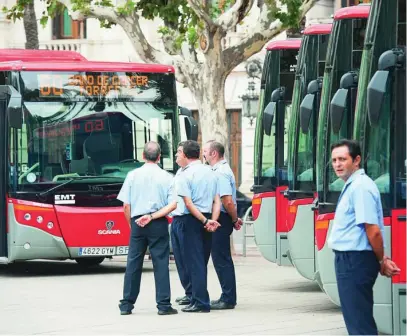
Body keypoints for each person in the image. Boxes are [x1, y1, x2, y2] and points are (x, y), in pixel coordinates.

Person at [328, 139, 400, 335]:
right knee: (357, 316)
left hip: (355, 259)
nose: (337, 164)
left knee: (359, 321)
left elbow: (373, 230)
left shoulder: (360, 187)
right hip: (351, 258)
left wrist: (381, 259)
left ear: (357, 160)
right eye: (334, 160)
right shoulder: (353, 184)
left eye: (343, 159)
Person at [117, 141, 178, 316]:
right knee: (161, 263)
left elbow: (126, 206)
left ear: (143, 156)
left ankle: (126, 304)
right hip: (157, 222)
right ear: (159, 157)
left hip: (137, 222)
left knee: (133, 263)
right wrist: (152, 217)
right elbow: (173, 205)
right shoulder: (168, 177)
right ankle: (163, 305)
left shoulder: (132, 175)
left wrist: (132, 224)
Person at [173, 140, 221, 313]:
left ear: (186, 155)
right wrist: (212, 221)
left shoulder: (185, 175)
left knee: (193, 263)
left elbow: (188, 203)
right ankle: (196, 298)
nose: (177, 156)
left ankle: (200, 301)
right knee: (199, 261)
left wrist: (204, 221)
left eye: (179, 152)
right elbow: (217, 200)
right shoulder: (211, 172)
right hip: (206, 219)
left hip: (191, 220)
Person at [203, 140, 242, 310]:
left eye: (205, 151)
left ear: (213, 153)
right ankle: (226, 296)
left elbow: (227, 201)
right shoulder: (218, 170)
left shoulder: (220, 172)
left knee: (222, 259)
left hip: (221, 219)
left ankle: (228, 298)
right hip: (222, 218)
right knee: (220, 258)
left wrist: (234, 220)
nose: (203, 154)